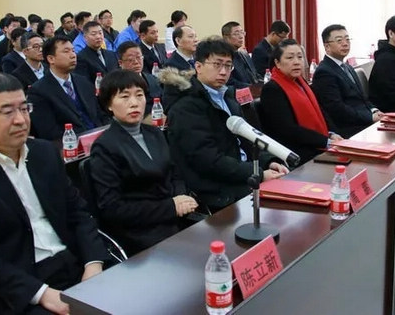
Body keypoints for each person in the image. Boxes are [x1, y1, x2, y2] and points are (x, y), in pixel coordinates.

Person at [0, 73, 106, 315]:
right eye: (7, 112)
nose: (20, 120)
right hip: (17, 288)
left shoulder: (45, 153)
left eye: (24, 109)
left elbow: (78, 213)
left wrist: (93, 264)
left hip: (73, 264)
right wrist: (42, 293)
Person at [166, 38, 288, 212]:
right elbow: (207, 160)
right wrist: (258, 173)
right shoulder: (186, 107)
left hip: (242, 177)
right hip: (218, 190)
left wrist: (268, 162)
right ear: (198, 66)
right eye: (217, 64)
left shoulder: (227, 97)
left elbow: (248, 141)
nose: (223, 71)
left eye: (228, 66)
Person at [88, 70, 196, 256]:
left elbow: (175, 173)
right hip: (141, 233)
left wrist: (181, 198)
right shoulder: (105, 147)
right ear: (109, 105)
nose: (134, 103)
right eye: (124, 97)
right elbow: (113, 209)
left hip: (177, 219)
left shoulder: (154, 133)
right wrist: (170, 207)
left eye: (139, 95)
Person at [258, 39, 341, 165]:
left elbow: (320, 110)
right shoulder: (272, 89)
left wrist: (331, 134)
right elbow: (287, 129)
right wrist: (325, 141)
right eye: (290, 58)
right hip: (296, 152)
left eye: (300, 57)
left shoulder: (301, 81)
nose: (296, 62)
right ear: (277, 63)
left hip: (315, 144)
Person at [28, 36, 107, 140]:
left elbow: (100, 115)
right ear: (51, 59)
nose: (73, 55)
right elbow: (49, 132)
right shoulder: (38, 91)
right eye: (66, 51)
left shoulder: (83, 82)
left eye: (73, 50)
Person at [312, 24, 381, 138]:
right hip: (349, 129)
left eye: (347, 39)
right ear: (327, 46)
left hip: (364, 121)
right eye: (339, 40)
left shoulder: (347, 66)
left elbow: (362, 98)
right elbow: (337, 109)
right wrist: (369, 117)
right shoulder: (324, 72)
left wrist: (374, 110)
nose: (345, 43)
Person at [116, 41, 163, 119]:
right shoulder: (116, 84)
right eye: (130, 60)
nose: (136, 62)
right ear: (120, 63)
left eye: (139, 58)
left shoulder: (152, 79)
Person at [74, 21, 119, 85]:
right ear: (85, 37)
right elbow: (84, 82)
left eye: (100, 33)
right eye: (93, 34)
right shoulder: (81, 57)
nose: (98, 37)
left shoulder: (111, 54)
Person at [221, 21, 259, 87]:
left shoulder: (244, 54)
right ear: (226, 37)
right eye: (236, 33)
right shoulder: (223, 57)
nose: (241, 36)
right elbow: (230, 82)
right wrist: (252, 88)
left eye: (242, 33)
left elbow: (255, 75)